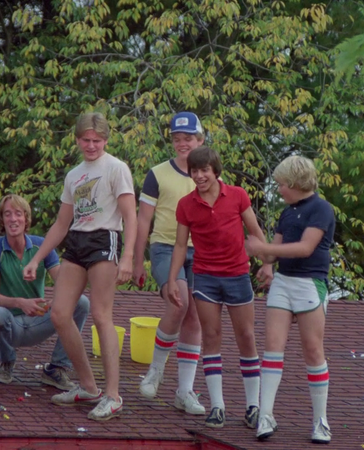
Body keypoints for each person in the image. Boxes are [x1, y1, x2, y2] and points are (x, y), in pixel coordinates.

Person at [22, 112, 137, 421]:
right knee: (60, 314)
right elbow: (62, 223)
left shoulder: (116, 168)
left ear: (106, 140)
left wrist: (128, 257)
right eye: (86, 140)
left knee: (101, 314)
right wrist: (36, 258)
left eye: (97, 140)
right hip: (76, 241)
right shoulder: (74, 175)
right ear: (77, 140)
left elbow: (130, 216)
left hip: (104, 238)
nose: (91, 145)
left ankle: (113, 395)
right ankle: (88, 387)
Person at [167, 146, 271, 429]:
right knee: (211, 336)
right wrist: (172, 279)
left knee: (246, 336)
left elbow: (255, 232)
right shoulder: (186, 204)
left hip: (237, 274)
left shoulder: (237, 195)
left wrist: (267, 263)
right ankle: (217, 406)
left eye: (204, 170)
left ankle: (253, 406)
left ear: (215, 171)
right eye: (194, 171)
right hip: (205, 277)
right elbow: (180, 245)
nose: (199, 176)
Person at [244, 155, 335, 444]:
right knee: (272, 346)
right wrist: (261, 257)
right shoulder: (287, 212)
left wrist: (263, 248)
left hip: (310, 283)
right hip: (283, 282)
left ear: (295, 183)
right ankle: (266, 415)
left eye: (282, 184)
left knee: (312, 349)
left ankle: (320, 420)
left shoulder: (321, 209)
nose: (279, 189)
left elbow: (305, 248)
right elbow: (274, 252)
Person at [133, 112, 205, 416]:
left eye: (188, 138)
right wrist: (137, 260)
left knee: (196, 316)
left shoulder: (209, 175)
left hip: (201, 251)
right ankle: (155, 370)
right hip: (165, 247)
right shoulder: (157, 173)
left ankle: (185, 390)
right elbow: (143, 219)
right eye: (177, 139)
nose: (182, 143)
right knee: (178, 303)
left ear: (200, 140)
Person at [0, 194, 90, 390]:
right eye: (7, 214)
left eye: (18, 214)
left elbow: (65, 284)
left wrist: (52, 301)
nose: (13, 219)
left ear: (26, 219)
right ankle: (7, 361)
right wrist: (20, 303)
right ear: (2, 220)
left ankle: (57, 368)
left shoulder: (41, 245)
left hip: (39, 319)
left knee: (81, 302)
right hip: (10, 323)